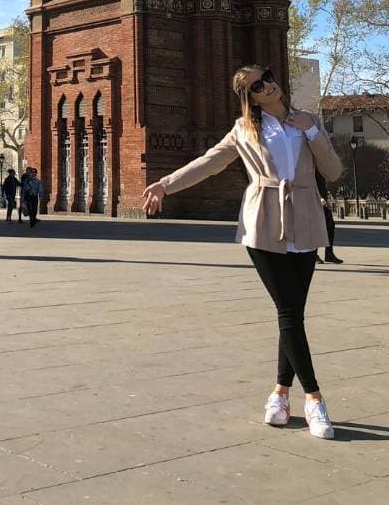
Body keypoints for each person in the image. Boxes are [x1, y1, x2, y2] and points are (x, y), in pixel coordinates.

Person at [143, 64, 343, 440]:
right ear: (249, 97)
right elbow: (209, 163)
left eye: (267, 76)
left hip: (304, 219)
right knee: (288, 311)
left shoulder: (307, 121)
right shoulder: (244, 129)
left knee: (293, 315)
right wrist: (165, 185)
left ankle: (280, 394)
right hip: (263, 221)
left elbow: (332, 171)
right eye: (257, 84)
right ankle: (315, 399)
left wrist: (312, 132)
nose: (268, 84)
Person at [315, 170, 343, 264]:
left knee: (330, 226)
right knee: (315, 228)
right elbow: (310, 183)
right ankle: (314, 255)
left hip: (322, 198)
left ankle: (329, 253)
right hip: (312, 199)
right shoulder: (308, 163)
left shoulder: (319, 164)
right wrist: (320, 197)